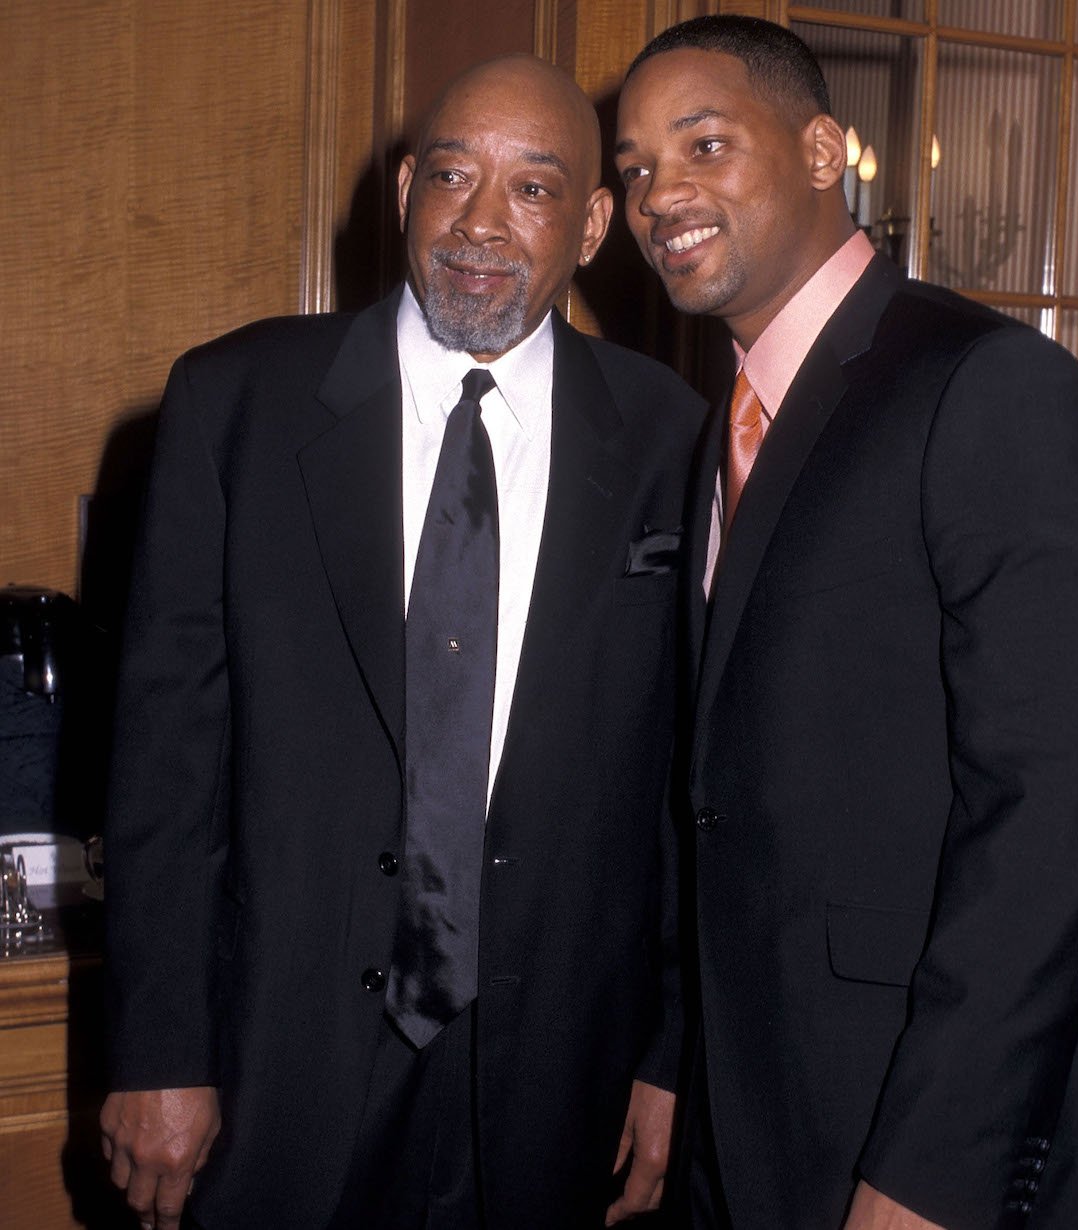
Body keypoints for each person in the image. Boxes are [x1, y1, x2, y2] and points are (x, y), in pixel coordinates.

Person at [100, 53, 703, 1230]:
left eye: (533, 189)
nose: (480, 222)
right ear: (402, 194)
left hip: (559, 1083)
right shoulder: (235, 405)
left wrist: (674, 1051)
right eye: (451, 176)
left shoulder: (672, 439)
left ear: (592, 227)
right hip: (279, 1067)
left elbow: (690, 789)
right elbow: (165, 763)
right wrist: (158, 1048)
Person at [615, 15, 1078, 1230]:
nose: (660, 194)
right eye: (636, 167)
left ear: (824, 151)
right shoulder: (714, 433)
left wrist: (933, 1169)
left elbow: (1059, 816)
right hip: (752, 1115)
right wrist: (676, 1055)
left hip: (933, 1140)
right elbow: (712, 797)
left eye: (704, 145)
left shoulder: (988, 384)